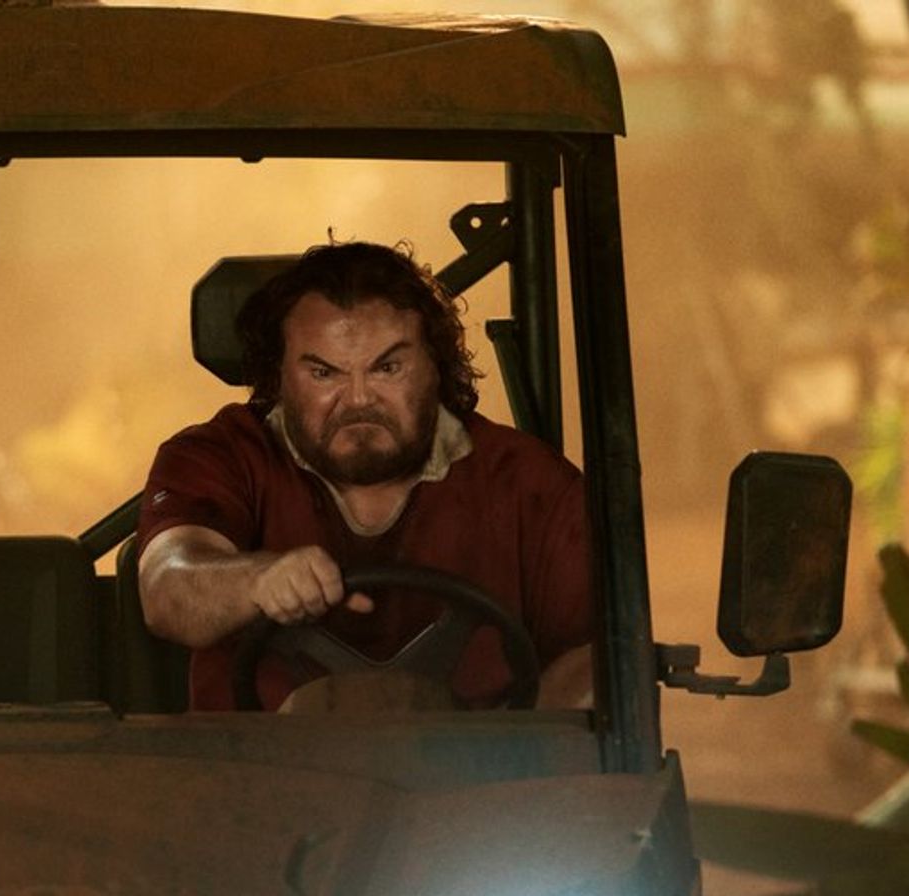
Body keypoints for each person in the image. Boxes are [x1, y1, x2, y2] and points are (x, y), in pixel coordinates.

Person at [135, 240, 593, 713]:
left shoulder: (527, 481)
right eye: (324, 373)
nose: (358, 400)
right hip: (255, 759)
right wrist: (256, 580)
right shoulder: (221, 457)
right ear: (278, 376)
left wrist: (522, 741)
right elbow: (167, 585)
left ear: (436, 367)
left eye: (387, 368)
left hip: (480, 762)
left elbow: (601, 655)